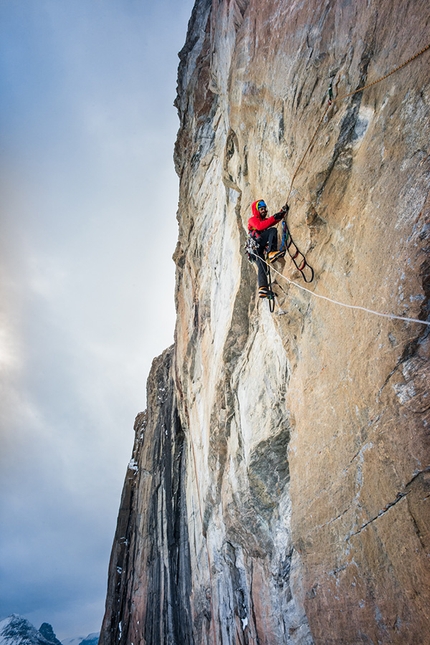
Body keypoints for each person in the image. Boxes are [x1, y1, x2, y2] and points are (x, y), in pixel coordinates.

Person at [248, 199, 288, 298]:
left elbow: (271, 221)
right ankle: (271, 252)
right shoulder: (252, 220)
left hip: (256, 249)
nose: (264, 211)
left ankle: (263, 289)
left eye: (265, 209)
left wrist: (281, 213)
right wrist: (275, 217)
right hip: (256, 246)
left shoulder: (264, 220)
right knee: (272, 231)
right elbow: (260, 226)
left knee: (262, 267)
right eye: (261, 209)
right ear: (257, 210)